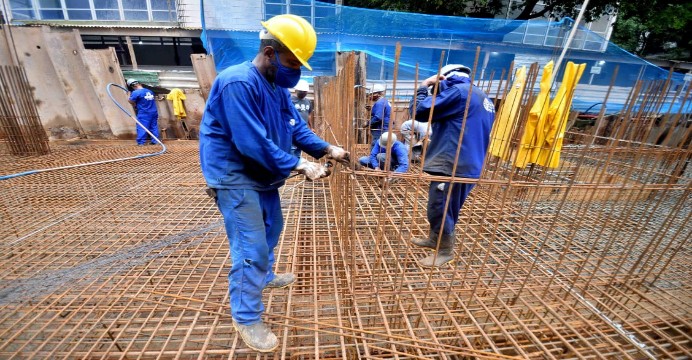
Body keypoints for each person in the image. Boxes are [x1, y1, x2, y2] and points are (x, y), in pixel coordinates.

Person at [198, 14, 350, 353]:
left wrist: (327, 149)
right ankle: (247, 317)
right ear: (269, 53)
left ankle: (263, 279)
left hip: (262, 174)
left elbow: (295, 127)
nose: (294, 69)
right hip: (234, 175)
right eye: (291, 61)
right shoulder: (238, 82)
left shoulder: (277, 87)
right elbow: (251, 142)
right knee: (251, 249)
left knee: (272, 228)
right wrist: (300, 164)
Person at [409, 64, 495, 267]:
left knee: (441, 206)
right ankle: (434, 239)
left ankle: (445, 250)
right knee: (444, 205)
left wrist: (423, 87)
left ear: (443, 79)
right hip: (467, 161)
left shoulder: (458, 91)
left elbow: (420, 111)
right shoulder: (482, 97)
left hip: (454, 162)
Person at [127, 79, 160, 146]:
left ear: (133, 86)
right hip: (153, 112)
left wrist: (128, 95)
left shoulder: (136, 92)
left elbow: (131, 101)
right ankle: (155, 141)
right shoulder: (149, 91)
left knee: (142, 127)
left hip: (144, 113)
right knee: (153, 126)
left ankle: (141, 142)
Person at [290, 79, 313, 157]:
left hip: (303, 128)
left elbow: (309, 114)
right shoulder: (290, 100)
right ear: (296, 90)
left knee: (299, 146)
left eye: (305, 91)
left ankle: (296, 162)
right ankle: (292, 164)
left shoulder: (308, 102)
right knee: (292, 147)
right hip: (293, 128)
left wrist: (310, 127)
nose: (303, 93)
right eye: (301, 91)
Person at [365, 84, 391, 148]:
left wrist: (368, 123)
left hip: (380, 129)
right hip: (384, 128)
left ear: (378, 94)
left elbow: (378, 117)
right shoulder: (384, 101)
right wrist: (372, 108)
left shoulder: (379, 103)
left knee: (376, 146)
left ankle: (374, 158)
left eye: (372, 94)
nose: (370, 96)